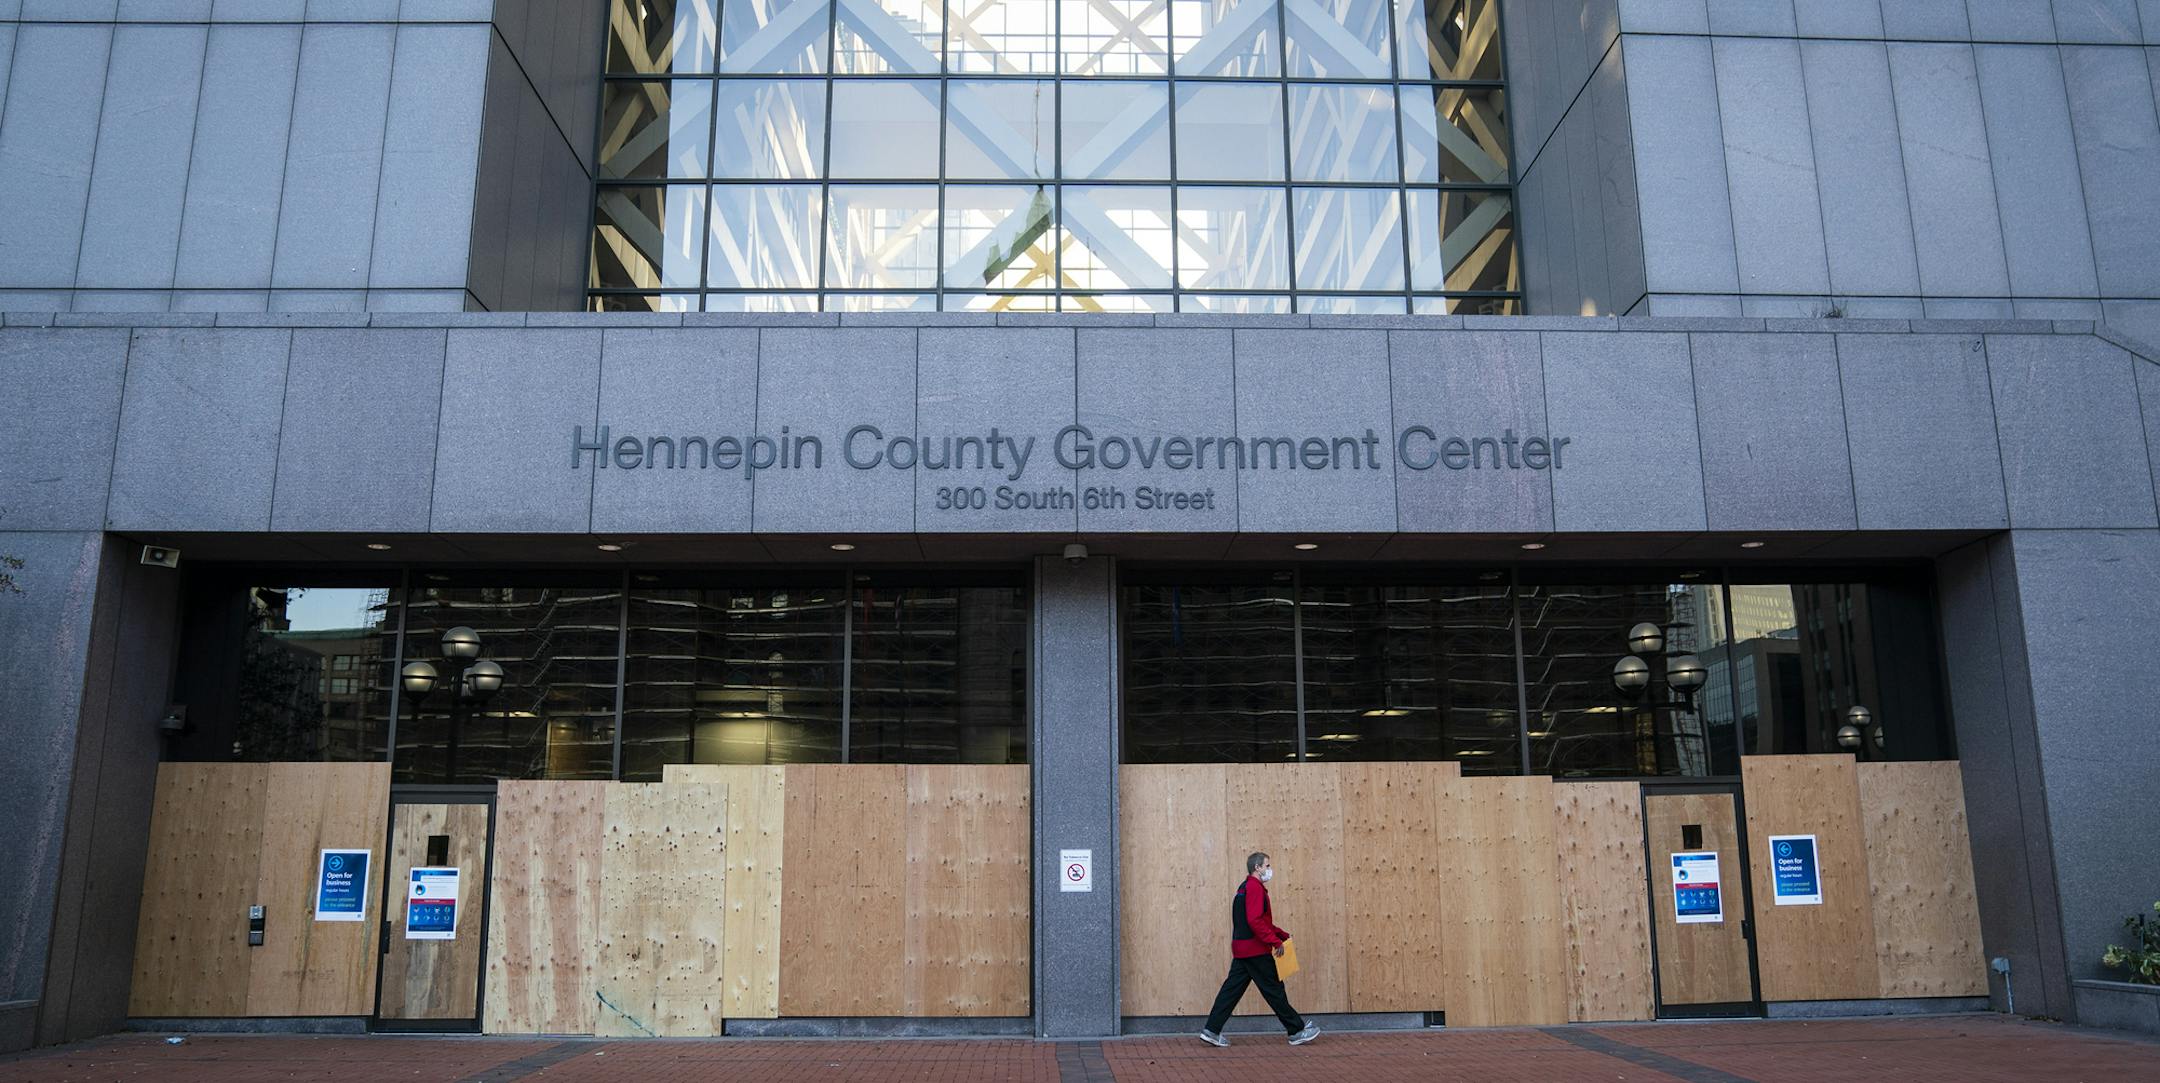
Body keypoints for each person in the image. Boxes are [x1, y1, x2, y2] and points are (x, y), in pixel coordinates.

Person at [1199, 852, 1320, 1047]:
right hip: (1256, 951)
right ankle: (1296, 1031)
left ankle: (1212, 1030)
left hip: (1242, 950)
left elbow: (1259, 921)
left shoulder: (1243, 888)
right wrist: (1275, 941)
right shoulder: (1255, 888)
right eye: (1267, 866)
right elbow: (1255, 920)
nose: (1269, 870)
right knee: (1274, 990)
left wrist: (1280, 934)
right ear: (1257, 868)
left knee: (1230, 991)